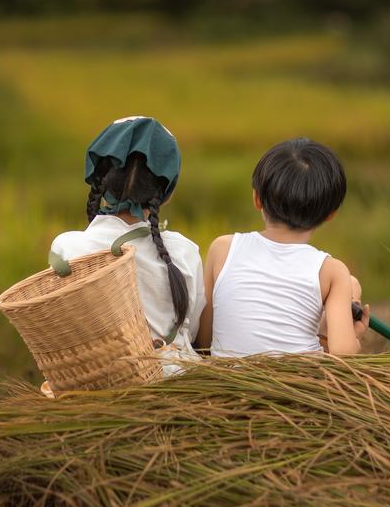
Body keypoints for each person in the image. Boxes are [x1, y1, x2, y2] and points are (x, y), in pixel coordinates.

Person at [50, 116, 204, 377]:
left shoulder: (65, 248)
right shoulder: (186, 252)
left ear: (99, 178)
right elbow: (194, 331)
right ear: (167, 191)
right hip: (178, 384)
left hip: (101, 382)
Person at [196, 137, 369, 356]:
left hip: (226, 383)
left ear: (257, 199)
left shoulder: (222, 248)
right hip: (298, 385)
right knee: (352, 286)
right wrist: (354, 336)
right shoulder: (332, 271)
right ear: (330, 214)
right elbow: (342, 354)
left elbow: (203, 340)